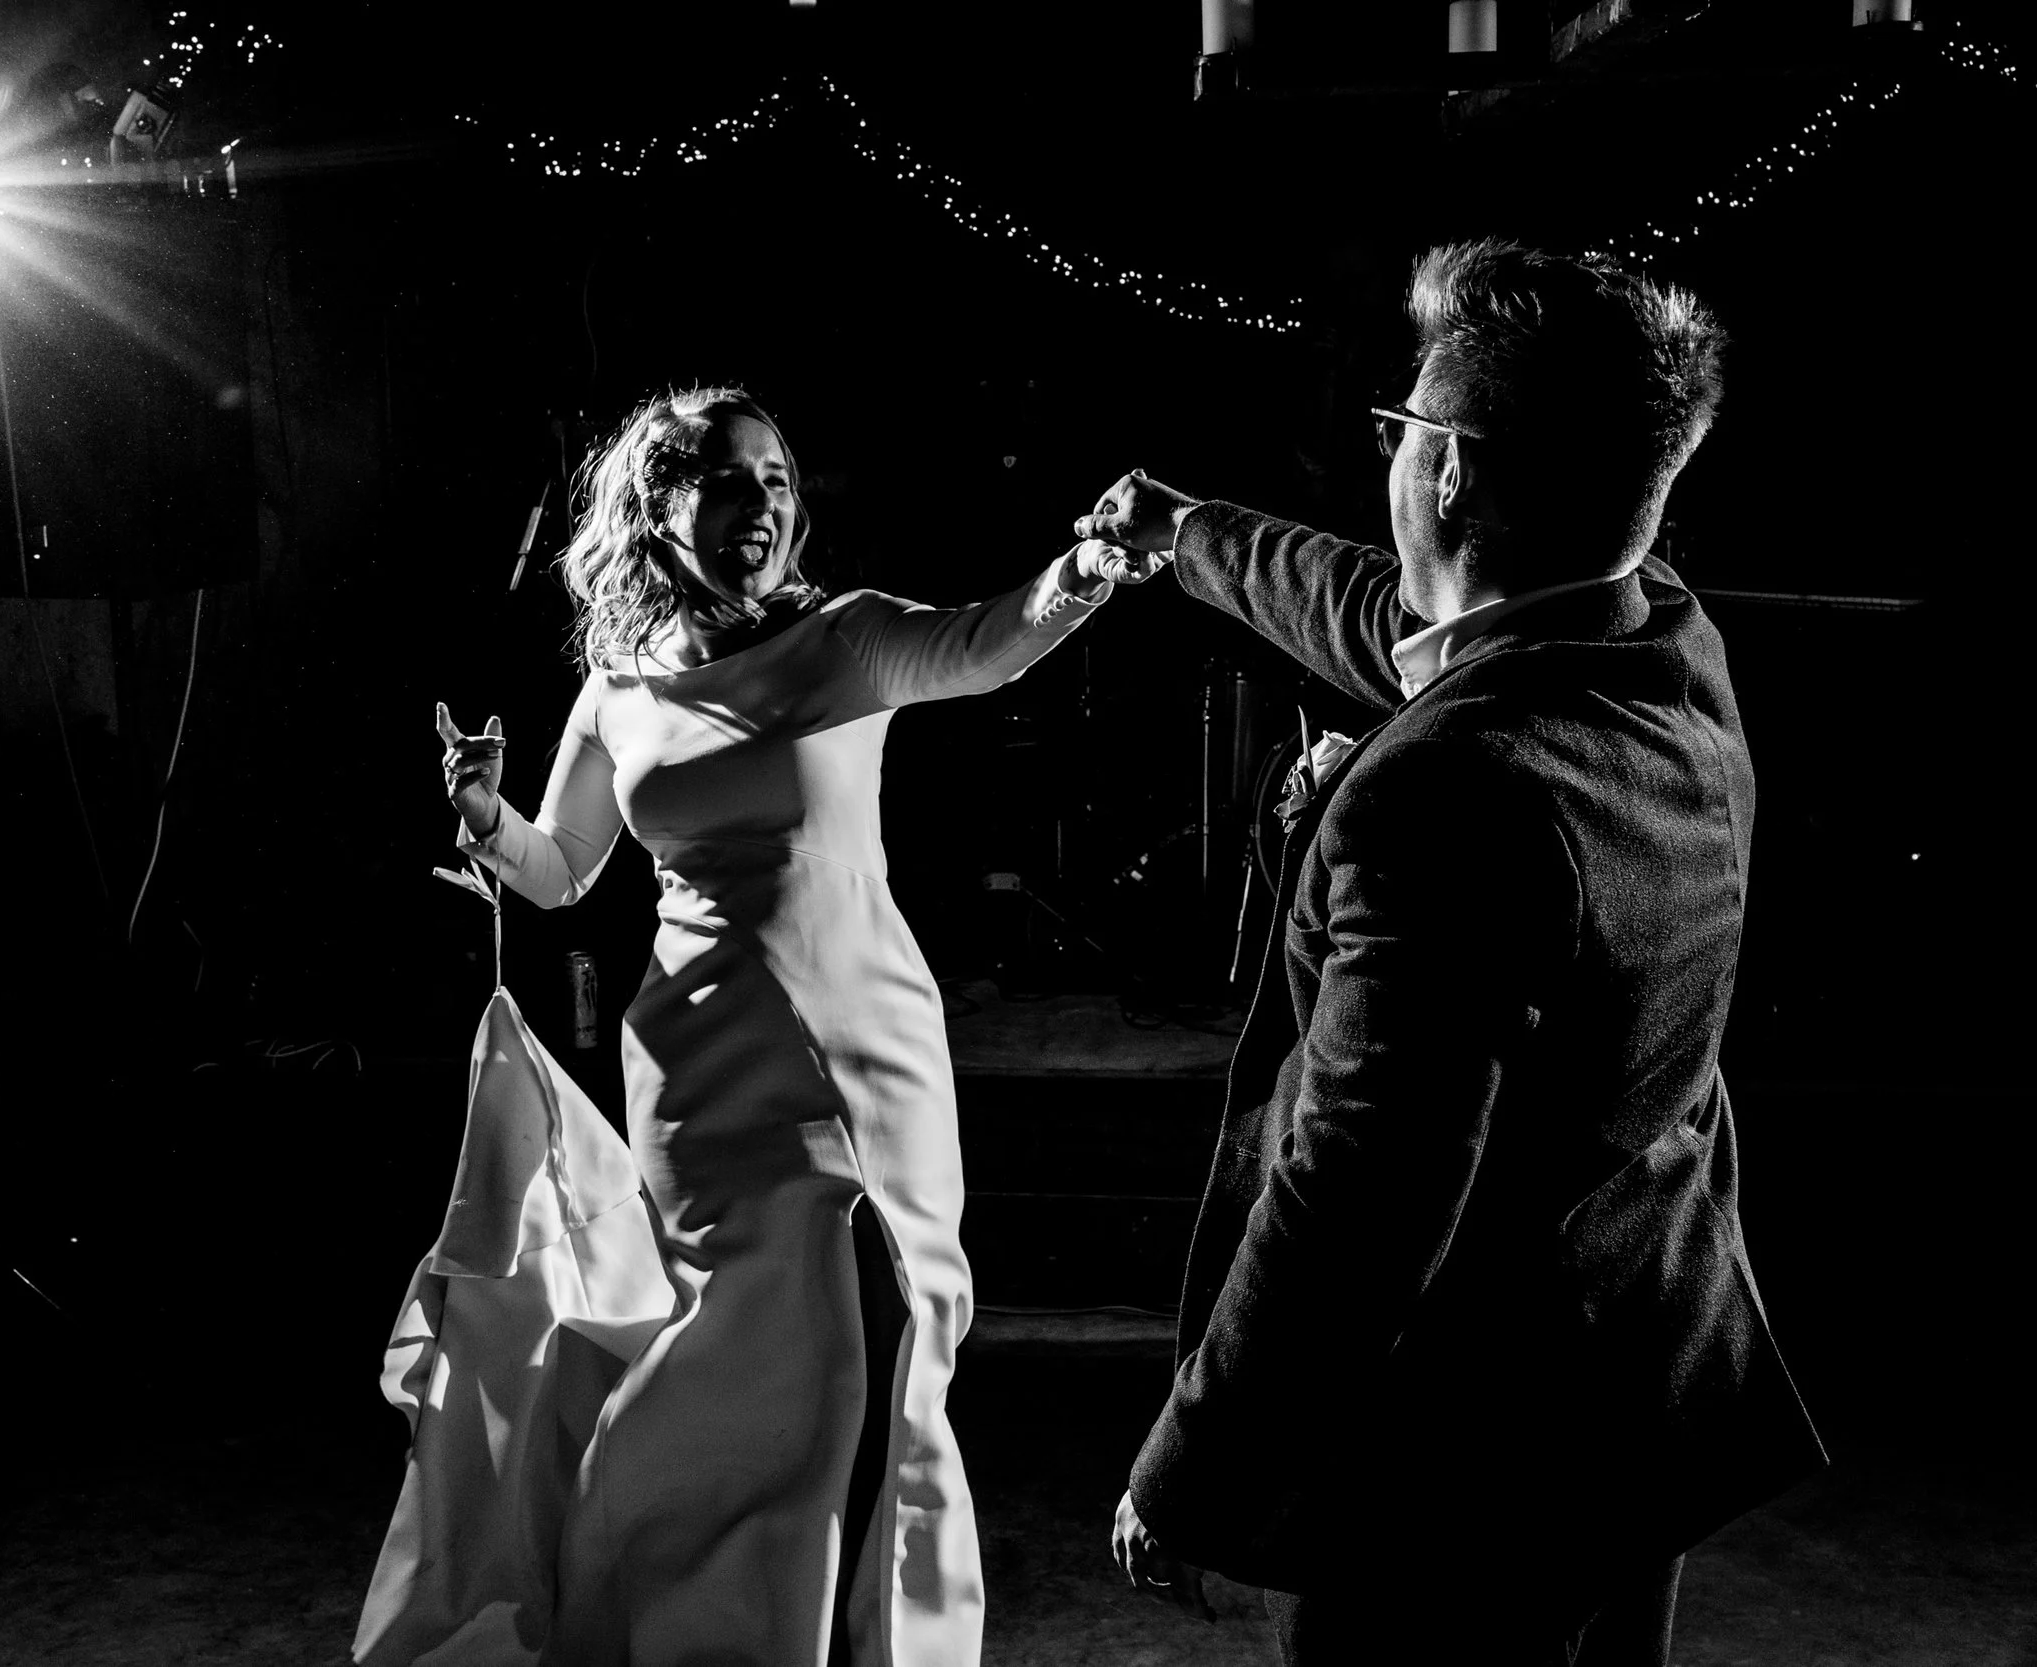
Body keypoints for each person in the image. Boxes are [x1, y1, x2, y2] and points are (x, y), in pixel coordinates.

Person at [1079, 241, 1827, 1664]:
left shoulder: (1446, 790)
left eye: (1403, 430)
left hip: (1462, 1459)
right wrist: (1190, 534)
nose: (1394, 452)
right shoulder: (1662, 636)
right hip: (1635, 1376)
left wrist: (1195, 1465)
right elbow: (1406, 620)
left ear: (1454, 474)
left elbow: (1360, 1186)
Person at [422, 386, 1159, 1665]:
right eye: (725, 478)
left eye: (775, 479)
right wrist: (486, 815)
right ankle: (711, 1628)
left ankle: (877, 1634)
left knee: (882, 1346)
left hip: (862, 1043)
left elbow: (986, 642)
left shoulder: (845, 639)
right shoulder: (615, 689)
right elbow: (563, 870)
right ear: (660, 504)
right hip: (698, 1068)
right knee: (739, 1361)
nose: (759, 503)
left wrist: (1083, 571)